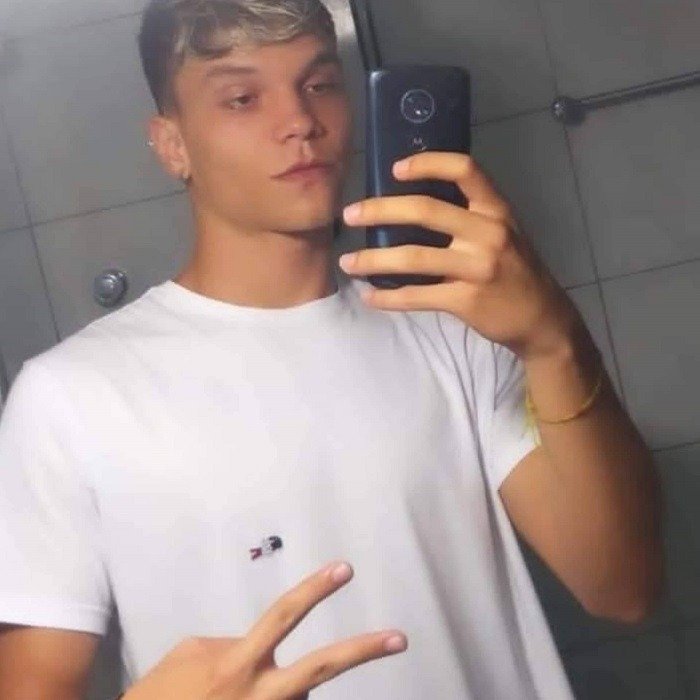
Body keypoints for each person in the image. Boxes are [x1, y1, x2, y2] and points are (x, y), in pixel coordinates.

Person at [0, 1, 663, 698]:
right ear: (172, 145)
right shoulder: (69, 398)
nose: (299, 121)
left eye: (319, 85)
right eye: (242, 98)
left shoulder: (450, 326)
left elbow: (624, 588)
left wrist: (555, 341)